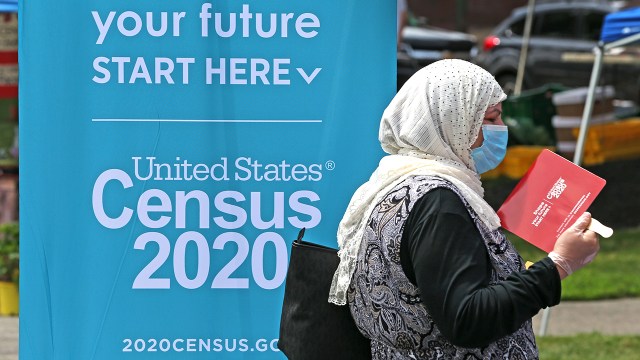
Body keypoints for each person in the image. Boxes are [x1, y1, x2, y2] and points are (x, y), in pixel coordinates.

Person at [328, 59, 600, 359]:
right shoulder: (439, 203)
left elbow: (432, 290)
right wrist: (559, 265)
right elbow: (466, 319)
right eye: (492, 118)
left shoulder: (392, 184)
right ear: (454, 123)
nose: (502, 129)